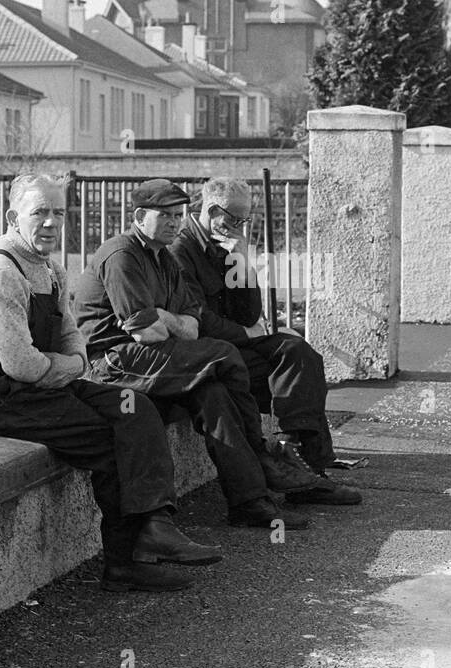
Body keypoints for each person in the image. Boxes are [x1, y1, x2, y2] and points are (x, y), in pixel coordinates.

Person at [0, 173, 222, 593]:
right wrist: (67, 365)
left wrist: (66, 365)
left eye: (59, 213)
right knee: (108, 441)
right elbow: (20, 364)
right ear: (12, 217)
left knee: (135, 407)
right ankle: (123, 564)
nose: (52, 223)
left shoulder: (52, 271)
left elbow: (75, 341)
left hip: (44, 383)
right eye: (40, 213)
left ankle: (157, 527)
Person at [73, 178, 318, 530]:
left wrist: (164, 316)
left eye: (179, 215)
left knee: (214, 393)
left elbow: (191, 326)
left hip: (153, 357)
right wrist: (166, 320)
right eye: (166, 215)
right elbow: (146, 331)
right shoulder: (122, 254)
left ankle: (249, 502)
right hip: (113, 363)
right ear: (140, 216)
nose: (175, 222)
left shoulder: (162, 257)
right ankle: (261, 453)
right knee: (223, 354)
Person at [167, 177, 361, 506]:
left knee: (299, 353)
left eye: (247, 219)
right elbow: (200, 320)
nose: (242, 227)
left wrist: (243, 263)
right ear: (214, 212)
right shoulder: (181, 249)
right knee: (289, 357)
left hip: (232, 346)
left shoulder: (227, 246)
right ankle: (305, 471)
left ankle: (294, 454)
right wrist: (248, 334)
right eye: (237, 219)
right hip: (206, 354)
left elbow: (248, 312)